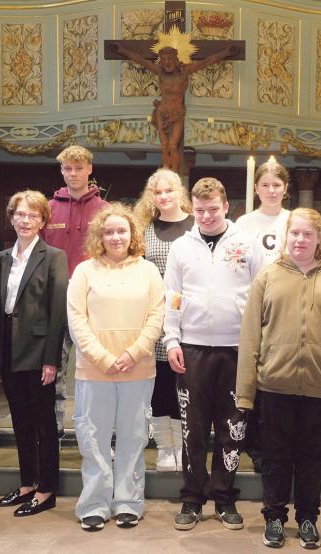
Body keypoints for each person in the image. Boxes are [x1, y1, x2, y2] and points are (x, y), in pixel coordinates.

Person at [237, 208, 321, 549]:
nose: (300, 240)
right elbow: (250, 336)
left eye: (308, 234)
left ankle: (308, 517)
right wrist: (245, 392)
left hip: (320, 386)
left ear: (319, 238)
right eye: (295, 234)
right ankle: (274, 517)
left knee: (311, 455)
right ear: (285, 236)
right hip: (274, 383)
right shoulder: (268, 277)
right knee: (275, 455)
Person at [163, 177, 266, 531]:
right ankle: (192, 498)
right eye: (200, 210)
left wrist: (258, 345)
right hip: (191, 350)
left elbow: (261, 295)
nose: (206, 216)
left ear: (226, 206)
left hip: (236, 349)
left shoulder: (247, 244)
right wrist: (172, 340)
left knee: (232, 429)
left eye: (213, 209)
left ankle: (224, 497)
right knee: (193, 429)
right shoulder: (181, 247)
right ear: (193, 209)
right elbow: (172, 295)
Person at [67, 203, 165, 531]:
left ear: (132, 234)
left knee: (132, 437)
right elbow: (77, 320)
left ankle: (127, 502)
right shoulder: (85, 271)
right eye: (109, 231)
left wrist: (133, 353)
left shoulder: (148, 271)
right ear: (100, 235)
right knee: (93, 438)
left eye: (122, 230)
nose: (115, 237)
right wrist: (104, 358)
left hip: (137, 369)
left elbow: (156, 317)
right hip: (95, 370)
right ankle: (94, 503)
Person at [0, 191, 68, 517]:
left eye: (33, 215)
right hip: (9, 349)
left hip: (38, 352)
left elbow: (57, 311)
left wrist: (51, 359)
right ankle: (26, 484)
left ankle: (47, 488)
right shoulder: (1, 258)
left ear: (42, 221)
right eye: (20, 214)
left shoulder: (53, 256)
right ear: (11, 218)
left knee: (43, 425)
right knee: (20, 422)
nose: (25, 220)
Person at [41, 144, 109, 434]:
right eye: (67, 168)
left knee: (94, 369)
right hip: (55, 300)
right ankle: (52, 434)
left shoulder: (105, 210)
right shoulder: (48, 208)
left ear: (89, 169)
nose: (73, 174)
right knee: (53, 369)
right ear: (61, 170)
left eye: (78, 168)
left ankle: (94, 432)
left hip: (93, 303)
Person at [235, 159, 293, 475]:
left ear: (285, 188)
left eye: (277, 185)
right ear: (256, 188)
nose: (271, 190)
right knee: (253, 378)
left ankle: (278, 444)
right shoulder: (243, 224)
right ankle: (254, 446)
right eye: (265, 185)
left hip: (285, 308)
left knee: (276, 378)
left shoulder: (293, 220)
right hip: (252, 307)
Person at [135, 168, 193, 472]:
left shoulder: (196, 226)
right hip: (157, 314)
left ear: (179, 192)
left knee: (184, 385)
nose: (163, 196)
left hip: (190, 317)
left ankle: (183, 447)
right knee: (160, 385)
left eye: (169, 190)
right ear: (152, 197)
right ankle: (165, 449)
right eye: (157, 192)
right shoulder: (145, 229)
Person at [108, 42, 239, 172]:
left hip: (177, 114)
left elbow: (207, 61)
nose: (166, 63)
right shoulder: (160, 71)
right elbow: (141, 61)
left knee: (172, 146)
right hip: (162, 113)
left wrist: (227, 52)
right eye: (164, 60)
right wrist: (122, 50)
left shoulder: (185, 71)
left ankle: (174, 176)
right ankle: (166, 172)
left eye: (169, 59)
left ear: (176, 59)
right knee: (164, 146)